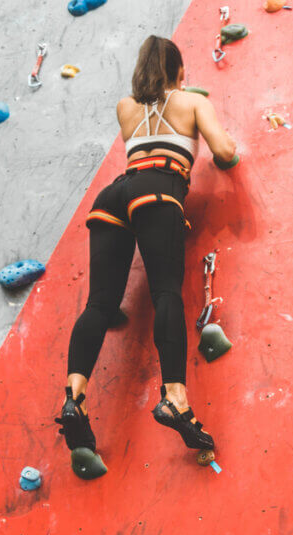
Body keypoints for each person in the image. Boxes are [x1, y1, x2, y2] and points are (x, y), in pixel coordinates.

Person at [56, 36, 237, 461]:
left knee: (99, 304)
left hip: (114, 197)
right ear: (179, 72)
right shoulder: (191, 101)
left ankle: (74, 397)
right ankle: (175, 396)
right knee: (166, 294)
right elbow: (225, 151)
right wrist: (226, 160)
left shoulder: (125, 108)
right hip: (159, 190)